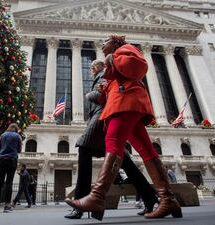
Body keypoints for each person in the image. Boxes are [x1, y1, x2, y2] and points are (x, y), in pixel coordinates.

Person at [65, 35, 182, 221]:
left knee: (113, 144)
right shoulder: (111, 62)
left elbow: (139, 66)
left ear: (116, 43)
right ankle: (167, 199)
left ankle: (96, 197)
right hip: (124, 103)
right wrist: (103, 91)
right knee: (147, 151)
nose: (102, 45)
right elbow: (113, 85)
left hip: (126, 102)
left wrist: (114, 60)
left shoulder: (123, 50)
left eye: (106, 42)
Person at [64, 60, 157, 219]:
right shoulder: (101, 76)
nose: (91, 71)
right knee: (123, 160)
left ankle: (81, 204)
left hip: (102, 117)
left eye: (92, 68)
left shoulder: (103, 76)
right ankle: (149, 196)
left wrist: (89, 95)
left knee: (84, 149)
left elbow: (103, 94)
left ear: (96, 68)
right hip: (103, 117)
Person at [0, 123, 22, 213]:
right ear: (16, 129)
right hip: (12, 160)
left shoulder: (2, 135)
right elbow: (19, 150)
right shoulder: (17, 136)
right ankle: (7, 205)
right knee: (9, 183)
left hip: (1, 160)